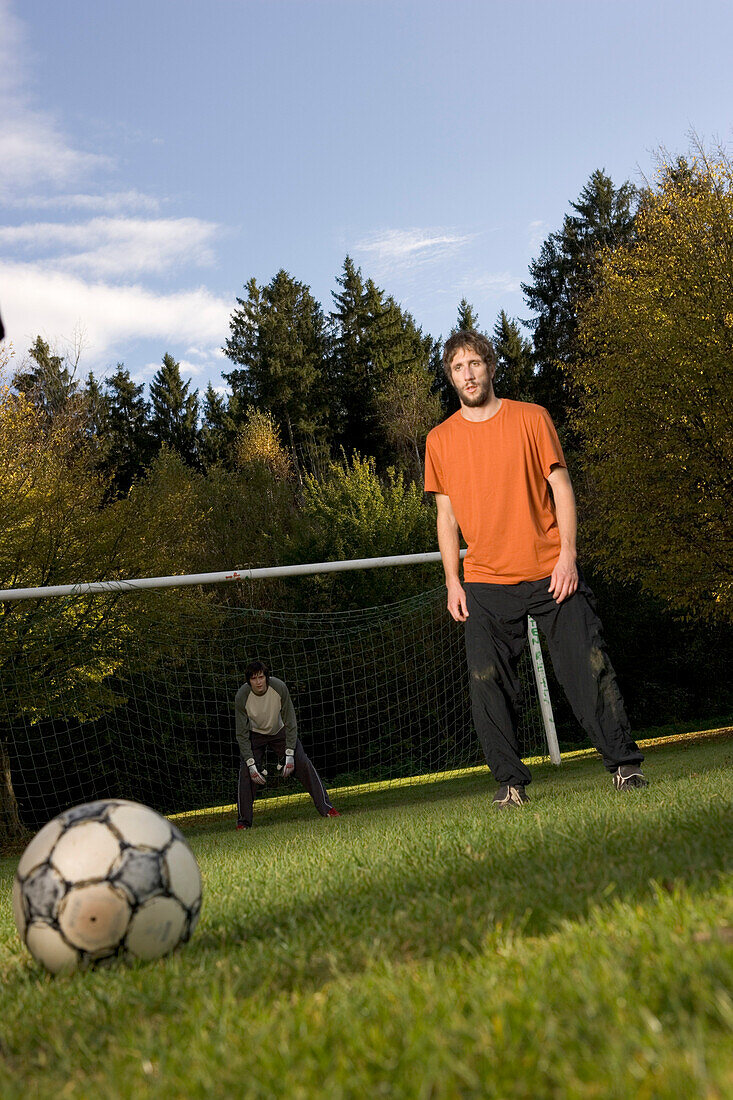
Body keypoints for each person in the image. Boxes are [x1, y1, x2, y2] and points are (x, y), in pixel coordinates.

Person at [424, 330, 648, 809]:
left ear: (490, 367)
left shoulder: (532, 418)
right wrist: (451, 581)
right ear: (450, 376)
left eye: (475, 364)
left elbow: (561, 487)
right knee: (487, 683)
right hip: (484, 580)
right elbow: (446, 516)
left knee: (587, 667)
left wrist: (568, 554)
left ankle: (625, 768)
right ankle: (510, 786)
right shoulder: (439, 439)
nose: (468, 374)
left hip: (551, 571)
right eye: (458, 368)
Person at [235, 660, 340, 828]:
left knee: (303, 762)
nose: (259, 682)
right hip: (255, 735)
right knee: (246, 774)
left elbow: (290, 722)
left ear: (266, 677)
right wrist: (251, 764)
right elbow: (241, 733)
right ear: (249, 681)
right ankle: (243, 823)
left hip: (280, 731)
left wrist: (289, 754)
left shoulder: (279, 687)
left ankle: (327, 809)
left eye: (261, 677)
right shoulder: (242, 696)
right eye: (254, 679)